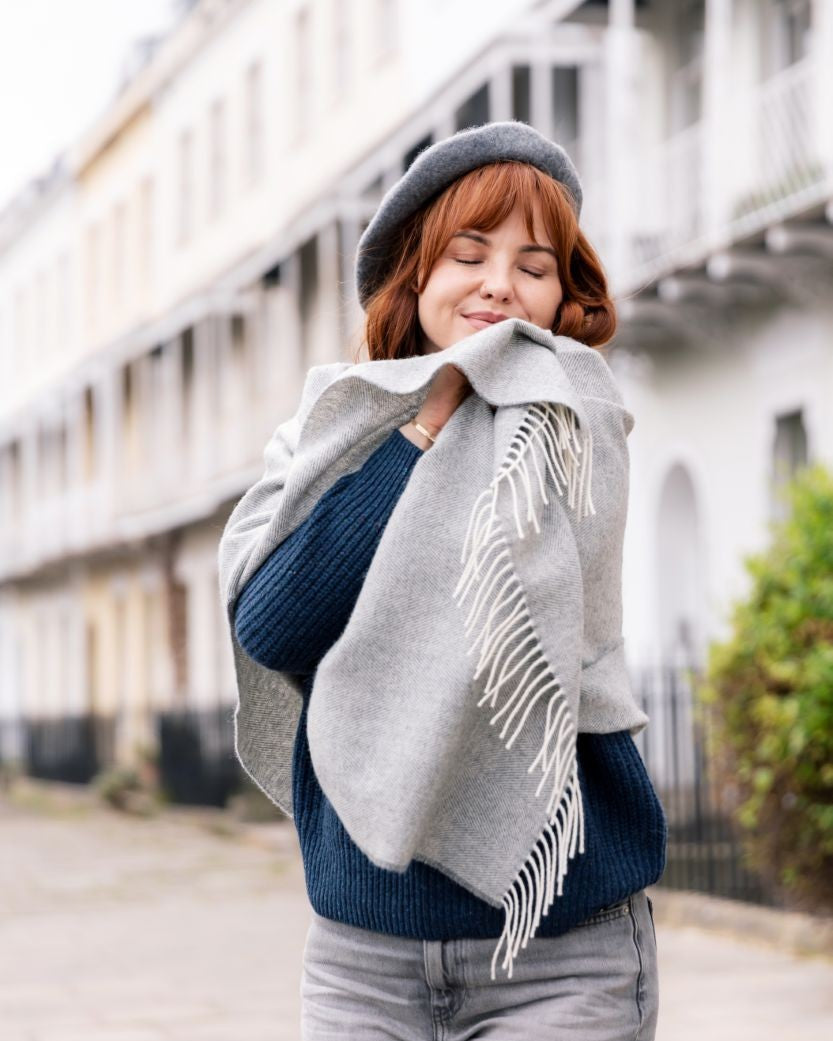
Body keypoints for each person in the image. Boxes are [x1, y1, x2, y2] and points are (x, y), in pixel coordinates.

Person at [221, 121, 667, 1040]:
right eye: (470, 253)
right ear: (416, 271)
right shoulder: (329, 432)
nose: (500, 282)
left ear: (557, 295)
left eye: (533, 265)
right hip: (364, 954)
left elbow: (505, 641)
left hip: (562, 945)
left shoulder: (575, 424)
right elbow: (272, 625)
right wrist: (420, 427)